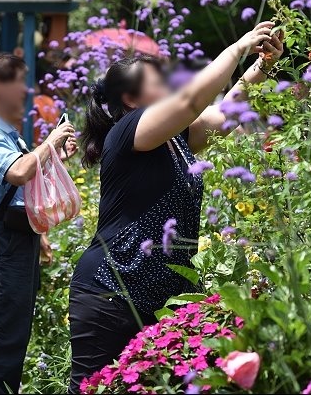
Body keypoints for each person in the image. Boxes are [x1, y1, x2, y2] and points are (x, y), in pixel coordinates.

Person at [68, 22, 284, 392]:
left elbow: (225, 114)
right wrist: (236, 48)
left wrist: (262, 64)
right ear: (132, 100)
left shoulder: (175, 139)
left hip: (155, 297)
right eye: (159, 82)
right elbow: (191, 100)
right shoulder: (127, 132)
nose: (170, 86)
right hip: (110, 291)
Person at [0, 52, 77, 394]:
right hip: (1, 247)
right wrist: (49, 142)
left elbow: (17, 184)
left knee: (12, 338)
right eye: (18, 81)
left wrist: (54, 155)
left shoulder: (5, 130)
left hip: (17, 240)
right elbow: (18, 172)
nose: (26, 90)